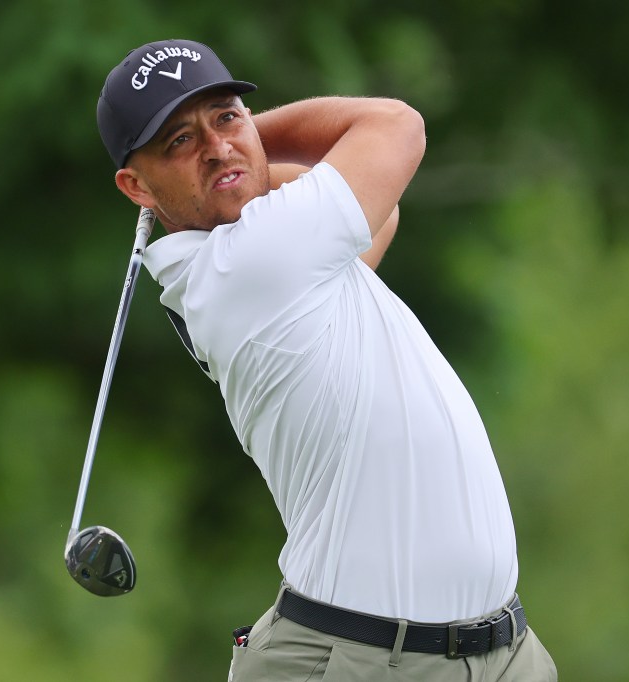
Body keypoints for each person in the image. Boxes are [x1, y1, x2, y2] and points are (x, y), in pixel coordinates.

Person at [96, 39, 557, 681]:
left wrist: (228, 163)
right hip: (362, 662)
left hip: (498, 656)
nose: (216, 144)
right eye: (178, 140)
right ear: (135, 185)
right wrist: (248, 142)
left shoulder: (266, 258)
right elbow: (397, 127)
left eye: (227, 116)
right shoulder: (254, 261)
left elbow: (380, 209)